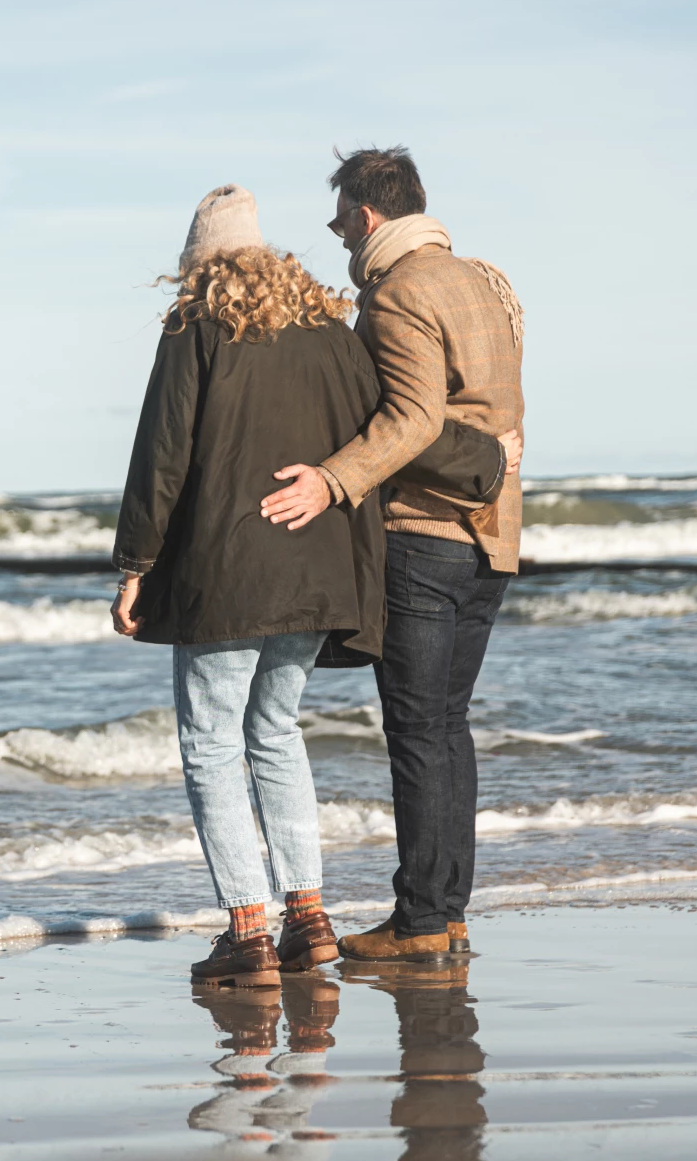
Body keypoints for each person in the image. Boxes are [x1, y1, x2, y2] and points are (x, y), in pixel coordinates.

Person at [111, 185, 505, 989]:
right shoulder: (329, 326)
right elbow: (398, 425)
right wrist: (489, 463)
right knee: (276, 733)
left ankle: (247, 932)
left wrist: (136, 564)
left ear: (200, 262)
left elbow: (164, 451)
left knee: (212, 744)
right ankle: (308, 918)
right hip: (319, 563)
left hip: (226, 572)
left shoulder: (196, 322)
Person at [259, 147, 526, 962]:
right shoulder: (486, 280)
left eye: (340, 219)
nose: (338, 235)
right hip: (494, 537)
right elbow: (491, 415)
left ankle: (420, 923)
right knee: (447, 729)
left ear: (368, 216)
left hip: (423, 535)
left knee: (417, 732)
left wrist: (331, 481)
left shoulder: (399, 292)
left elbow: (410, 419)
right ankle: (443, 914)